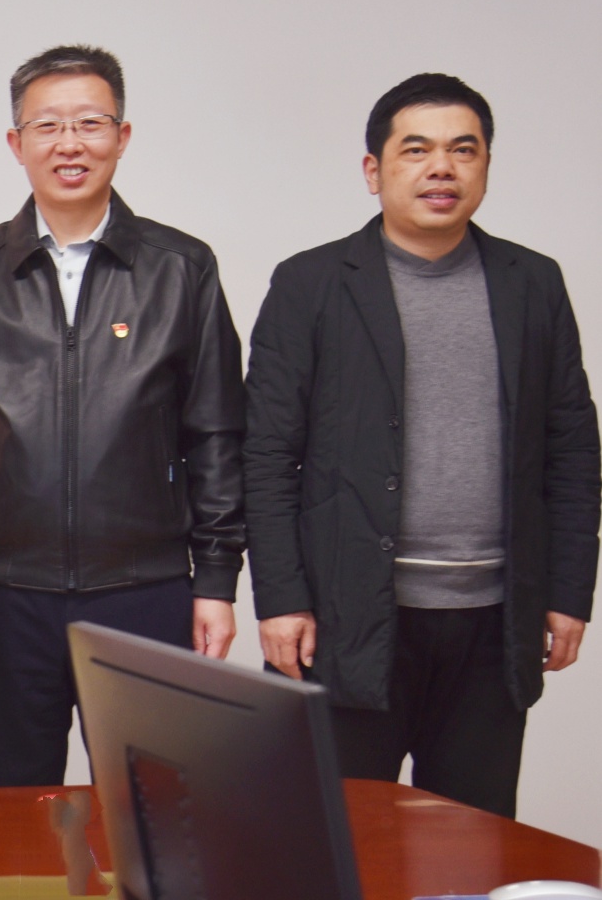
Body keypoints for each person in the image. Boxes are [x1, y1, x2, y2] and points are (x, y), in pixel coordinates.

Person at [244, 74, 598, 818]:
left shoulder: (532, 282)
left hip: (493, 625)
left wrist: (568, 593)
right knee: (337, 842)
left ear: (485, 165)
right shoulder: (311, 284)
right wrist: (281, 600)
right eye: (417, 150)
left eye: (462, 150)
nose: (442, 168)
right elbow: (268, 456)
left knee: (470, 847)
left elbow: (570, 448)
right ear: (373, 170)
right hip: (346, 619)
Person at [0, 45, 245, 787]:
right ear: (15, 142)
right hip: (4, 592)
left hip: (144, 588)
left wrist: (215, 579)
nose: (69, 144)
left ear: (122, 136)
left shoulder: (181, 267)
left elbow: (215, 432)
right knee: (13, 800)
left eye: (90, 123)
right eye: (47, 125)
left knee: (154, 803)